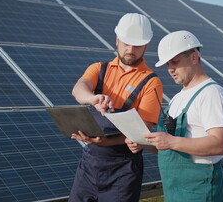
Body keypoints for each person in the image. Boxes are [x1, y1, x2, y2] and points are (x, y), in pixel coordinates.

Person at [126, 30, 223, 201]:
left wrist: (170, 141)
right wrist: (143, 144)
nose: (170, 70)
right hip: (175, 189)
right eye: (168, 64)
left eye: (175, 62)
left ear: (194, 58)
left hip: (200, 189)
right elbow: (172, 147)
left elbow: (218, 144)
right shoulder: (177, 98)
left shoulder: (212, 93)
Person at [68, 13, 163, 202]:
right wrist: (93, 98)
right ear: (117, 40)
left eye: (137, 45)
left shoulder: (152, 83)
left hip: (123, 170)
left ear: (146, 46)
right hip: (90, 164)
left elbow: (141, 132)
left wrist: (104, 142)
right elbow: (78, 90)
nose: (130, 49)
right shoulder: (99, 68)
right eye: (126, 43)